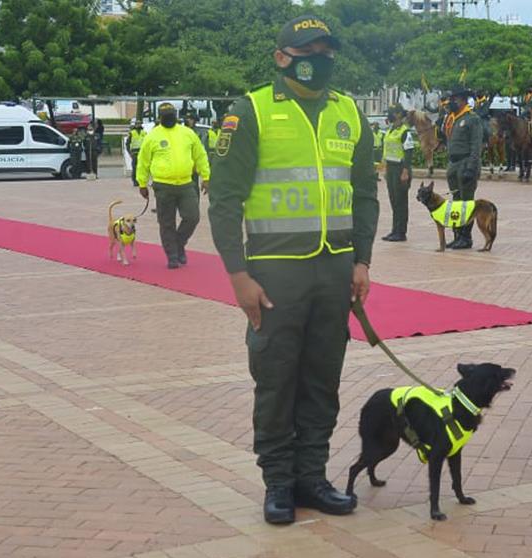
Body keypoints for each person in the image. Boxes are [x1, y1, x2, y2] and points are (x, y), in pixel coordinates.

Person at [208, 15, 377, 525]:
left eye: (326, 50)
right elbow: (224, 201)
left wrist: (362, 260)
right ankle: (278, 482)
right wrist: (238, 276)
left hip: (334, 271)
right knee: (277, 379)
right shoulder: (251, 112)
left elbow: (365, 194)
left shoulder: (350, 112)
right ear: (282, 57)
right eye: (309, 50)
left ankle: (312, 477)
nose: (318, 59)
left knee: (322, 380)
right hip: (275, 273)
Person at [136, 102, 210, 269]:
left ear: (176, 116)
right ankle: (173, 255)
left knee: (192, 217)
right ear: (160, 117)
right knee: (166, 222)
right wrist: (142, 183)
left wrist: (206, 177)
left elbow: (200, 156)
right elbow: (143, 161)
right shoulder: (152, 136)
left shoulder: (187, 133)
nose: (169, 117)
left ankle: (179, 243)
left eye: (171, 114)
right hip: (163, 185)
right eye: (165, 115)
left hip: (186, 184)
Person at [444, 88, 483, 249]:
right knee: (456, 203)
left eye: (455, 99)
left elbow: (476, 145)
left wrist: (471, 167)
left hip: (466, 163)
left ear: (463, 100)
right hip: (453, 164)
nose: (452, 102)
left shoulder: (472, 119)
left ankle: (466, 237)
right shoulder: (452, 118)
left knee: (466, 203)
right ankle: (457, 235)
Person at [380, 105, 415, 242]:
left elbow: (409, 152)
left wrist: (405, 171)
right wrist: (385, 168)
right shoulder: (390, 131)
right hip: (391, 169)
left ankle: (401, 232)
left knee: (401, 202)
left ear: (399, 114)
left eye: (392, 113)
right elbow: (386, 151)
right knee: (394, 201)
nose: (390, 115)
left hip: (401, 169)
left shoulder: (405, 131)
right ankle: (394, 230)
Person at [126, 118, 144, 187]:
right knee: (135, 167)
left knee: (141, 167)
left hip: (142, 151)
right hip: (134, 151)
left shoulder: (144, 132)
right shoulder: (132, 133)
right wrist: (129, 152)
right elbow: (128, 143)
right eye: (137, 124)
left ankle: (141, 180)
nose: (138, 125)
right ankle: (135, 181)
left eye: (139, 124)